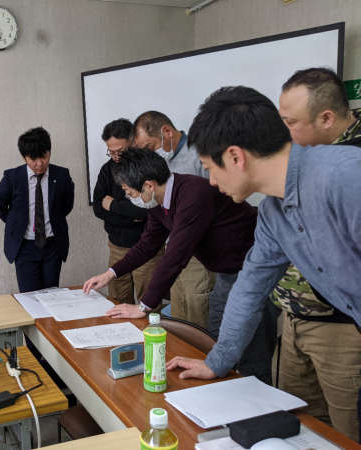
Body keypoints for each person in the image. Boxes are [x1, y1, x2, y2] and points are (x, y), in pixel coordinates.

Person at [167, 86, 361, 441]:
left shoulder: (345, 178)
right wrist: (216, 361)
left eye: (210, 169)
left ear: (235, 156)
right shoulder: (273, 211)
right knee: (309, 429)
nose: (212, 182)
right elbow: (250, 287)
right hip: (302, 324)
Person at [83, 148, 280, 385]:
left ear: (148, 185)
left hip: (253, 273)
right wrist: (111, 273)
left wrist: (143, 307)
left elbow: (175, 256)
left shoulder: (192, 195)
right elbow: (147, 244)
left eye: (129, 192)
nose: (128, 198)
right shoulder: (158, 203)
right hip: (226, 274)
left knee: (252, 353)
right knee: (215, 344)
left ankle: (255, 399)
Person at [273, 68, 361, 441]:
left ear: (326, 118)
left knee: (347, 431)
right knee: (303, 426)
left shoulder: (351, 165)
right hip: (293, 315)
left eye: (290, 123)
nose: (283, 133)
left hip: (341, 329)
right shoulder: (304, 158)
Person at [132, 111, 214, 329]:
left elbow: (216, 203)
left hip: (198, 251)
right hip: (171, 248)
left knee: (197, 317)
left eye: (150, 147)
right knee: (179, 316)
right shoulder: (160, 163)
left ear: (167, 132)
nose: (150, 155)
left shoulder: (200, 154)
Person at [0, 127, 74, 293]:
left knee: (52, 294)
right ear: (24, 157)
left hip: (52, 246)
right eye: (33, 158)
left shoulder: (62, 175)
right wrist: (17, 224)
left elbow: (67, 206)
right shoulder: (12, 177)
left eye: (44, 156)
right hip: (25, 246)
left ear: (49, 152)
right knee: (30, 296)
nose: (40, 164)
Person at [93, 119, 162, 309]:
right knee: (117, 301)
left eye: (120, 151)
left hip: (147, 246)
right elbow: (99, 207)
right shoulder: (107, 170)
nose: (116, 156)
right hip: (117, 246)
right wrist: (132, 218)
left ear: (132, 142)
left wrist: (114, 205)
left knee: (148, 303)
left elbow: (150, 209)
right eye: (111, 152)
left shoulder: (148, 167)